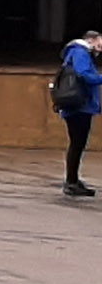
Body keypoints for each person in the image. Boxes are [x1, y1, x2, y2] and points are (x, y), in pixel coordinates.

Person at [60, 27, 102, 198]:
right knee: (77, 144)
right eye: (100, 41)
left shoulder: (80, 53)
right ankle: (71, 182)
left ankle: (73, 180)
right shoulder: (80, 52)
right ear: (91, 40)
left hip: (79, 105)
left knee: (78, 144)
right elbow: (84, 74)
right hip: (79, 106)